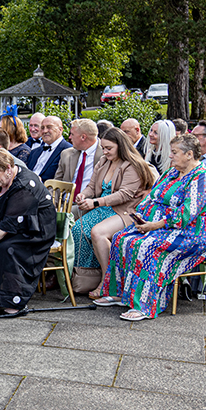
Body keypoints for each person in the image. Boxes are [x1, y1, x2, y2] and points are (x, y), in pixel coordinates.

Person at [96, 134, 206, 319]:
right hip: (160, 226)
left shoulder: (202, 177)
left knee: (146, 246)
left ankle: (144, 305)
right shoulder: (172, 172)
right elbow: (152, 196)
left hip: (193, 231)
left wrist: (154, 225)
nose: (170, 156)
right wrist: (140, 215)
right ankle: (120, 293)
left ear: (189, 154)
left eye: (175, 152)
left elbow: (186, 213)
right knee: (121, 239)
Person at [0, 148, 57, 317]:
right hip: (10, 226)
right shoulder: (0, 178)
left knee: (3, 249)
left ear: (7, 168)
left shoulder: (25, 185)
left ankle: (14, 303)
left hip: (33, 233)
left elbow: (9, 224)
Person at [72, 127, 155, 297]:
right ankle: (87, 275)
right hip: (102, 208)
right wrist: (83, 195)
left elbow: (124, 195)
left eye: (109, 148)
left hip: (124, 211)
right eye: (103, 148)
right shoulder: (104, 161)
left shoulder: (132, 165)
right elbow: (92, 186)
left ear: (121, 146)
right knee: (77, 229)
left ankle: (109, 280)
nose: (105, 152)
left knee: (97, 233)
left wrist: (95, 202)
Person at [54, 119, 101, 213]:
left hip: (88, 205)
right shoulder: (66, 154)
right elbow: (57, 184)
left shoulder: (105, 155)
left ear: (83, 137)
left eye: (72, 134)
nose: (69, 137)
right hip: (64, 203)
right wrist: (50, 205)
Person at [28, 115, 71, 180]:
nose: (45, 131)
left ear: (60, 130)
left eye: (49, 127)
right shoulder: (34, 152)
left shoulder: (68, 151)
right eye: (42, 128)